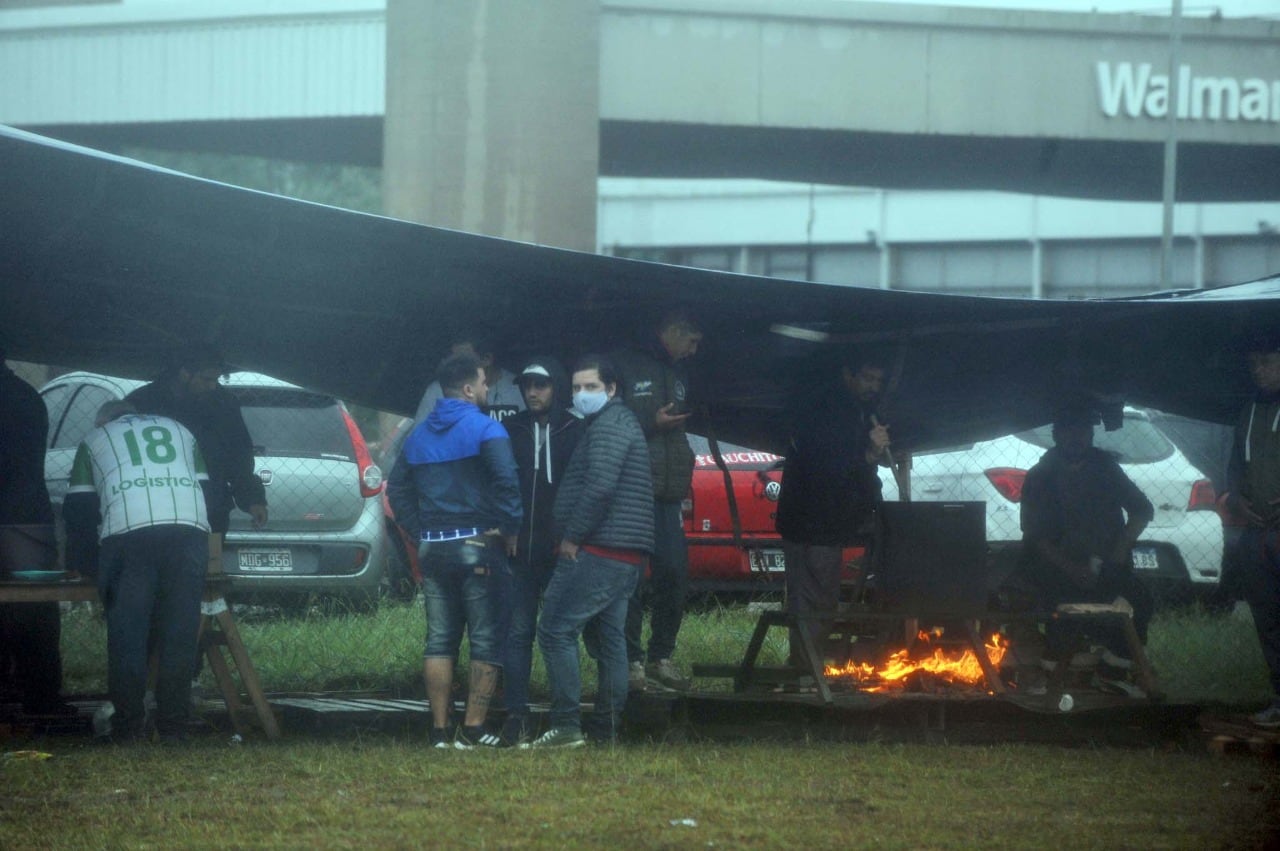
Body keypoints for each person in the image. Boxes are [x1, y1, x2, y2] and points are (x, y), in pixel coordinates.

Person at [387, 352, 522, 749]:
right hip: (478, 543)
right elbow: (507, 483)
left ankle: (440, 730)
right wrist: (509, 528)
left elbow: (396, 490)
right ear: (467, 388)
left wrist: (419, 531)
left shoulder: (418, 434)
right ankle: (476, 727)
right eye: (482, 383)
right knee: (484, 639)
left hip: (434, 548)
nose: (486, 388)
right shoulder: (486, 429)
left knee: (439, 639)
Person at [63, 401, 213, 743]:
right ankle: (175, 730)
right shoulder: (181, 430)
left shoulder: (95, 438)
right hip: (189, 531)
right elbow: (208, 492)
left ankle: (128, 730)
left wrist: (86, 566)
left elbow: (80, 509)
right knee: (179, 636)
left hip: (129, 534)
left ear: (105, 421)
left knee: (127, 636)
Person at [527, 355, 654, 748]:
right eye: (577, 388)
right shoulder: (616, 423)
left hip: (598, 549)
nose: (582, 395)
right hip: (623, 554)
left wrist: (572, 537)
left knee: (554, 630)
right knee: (608, 640)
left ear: (611, 389)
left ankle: (566, 726)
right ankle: (605, 730)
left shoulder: (608, 427)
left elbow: (600, 487)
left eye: (591, 387)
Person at [1018, 403, 1155, 695]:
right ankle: (1054, 676)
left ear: (1091, 434)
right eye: (1068, 430)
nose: (1076, 437)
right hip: (1056, 567)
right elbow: (1034, 537)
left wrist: (1117, 556)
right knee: (1061, 611)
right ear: (1057, 434)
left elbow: (1142, 510)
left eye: (1082, 430)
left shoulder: (1105, 468)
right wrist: (1073, 569)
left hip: (1107, 563)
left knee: (1141, 601)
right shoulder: (1040, 475)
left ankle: (1112, 670)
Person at [775, 352, 890, 670]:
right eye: (868, 378)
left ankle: (808, 668)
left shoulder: (858, 411)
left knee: (818, 597)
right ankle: (805, 671)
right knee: (813, 600)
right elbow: (830, 468)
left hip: (825, 521)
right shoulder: (830, 409)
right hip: (813, 521)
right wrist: (869, 454)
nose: (874, 386)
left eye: (878, 380)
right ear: (847, 374)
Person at [613, 310, 703, 692]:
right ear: (673, 331)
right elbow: (610, 418)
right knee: (631, 580)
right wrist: (652, 423)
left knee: (674, 575)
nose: (694, 351)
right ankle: (630, 662)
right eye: (692, 341)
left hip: (669, 494)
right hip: (633, 492)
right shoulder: (626, 364)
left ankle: (661, 657)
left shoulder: (680, 372)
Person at [498, 356, 583, 746]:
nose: (532, 392)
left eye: (541, 385)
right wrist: (508, 528)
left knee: (560, 633)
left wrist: (573, 536)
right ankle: (517, 715)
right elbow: (501, 484)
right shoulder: (510, 428)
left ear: (557, 388)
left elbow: (584, 486)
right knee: (518, 632)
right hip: (518, 550)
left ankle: (564, 715)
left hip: (562, 548)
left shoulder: (575, 429)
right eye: (527, 385)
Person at [126, 344, 268, 541]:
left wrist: (253, 499)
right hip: (154, 510)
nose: (212, 385)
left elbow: (239, 455)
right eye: (206, 379)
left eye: (216, 379)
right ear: (184, 373)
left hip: (210, 508)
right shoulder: (143, 402)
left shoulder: (224, 403)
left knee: (208, 568)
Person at [0, 348, 74, 716]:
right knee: (36, 606)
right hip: (28, 513)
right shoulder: (28, 398)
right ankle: (43, 698)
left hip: (18, 508)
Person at [1225, 336, 1280, 727]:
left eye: (1266, 362)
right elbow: (1233, 467)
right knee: (1267, 617)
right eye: (1254, 364)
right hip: (1258, 535)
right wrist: (1235, 500)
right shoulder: (1248, 412)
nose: (1258, 370)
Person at [414, 331, 526, 424]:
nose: (456, 366)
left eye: (463, 361)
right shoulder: (437, 390)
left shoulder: (520, 388)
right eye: (453, 359)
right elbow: (419, 441)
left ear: (487, 359)